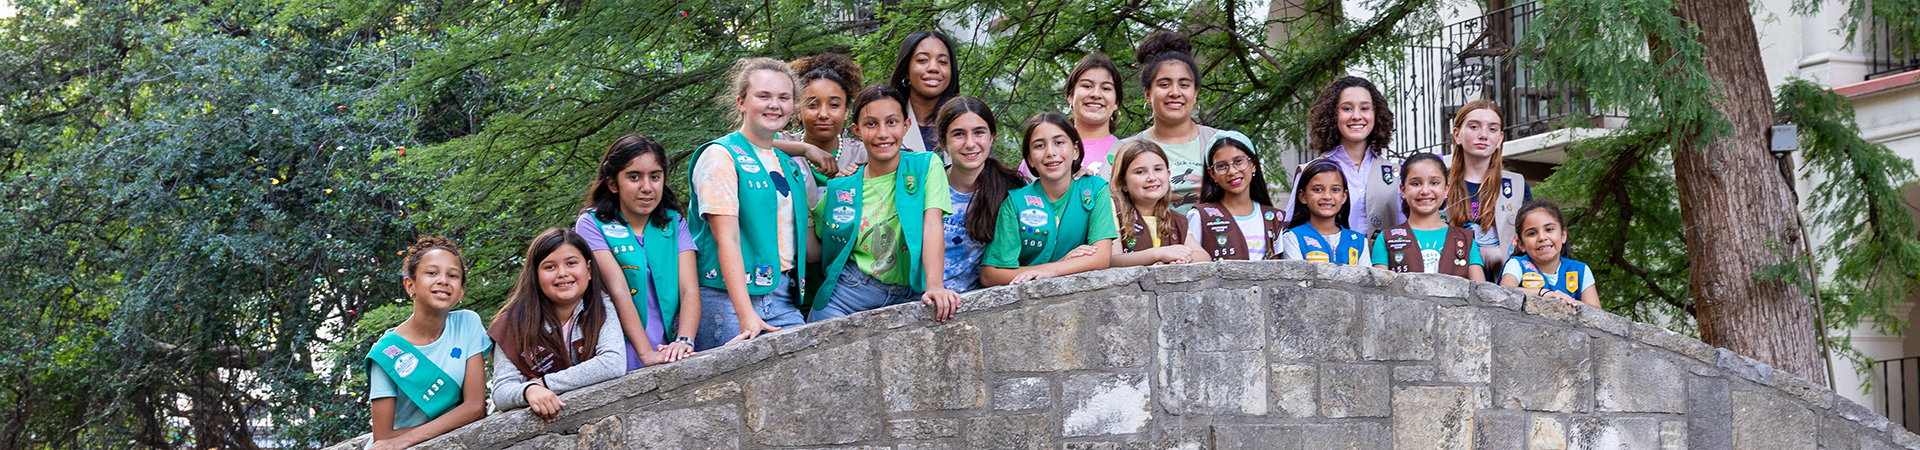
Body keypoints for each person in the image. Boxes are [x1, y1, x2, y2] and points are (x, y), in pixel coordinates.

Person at [686, 58, 812, 350]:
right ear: (741, 102)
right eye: (763, 96)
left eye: (784, 97)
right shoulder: (720, 155)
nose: (775, 105)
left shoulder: (787, 164)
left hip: (782, 296)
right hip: (728, 300)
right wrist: (746, 315)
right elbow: (726, 239)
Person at [810, 85, 962, 322]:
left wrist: (935, 285)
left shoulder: (925, 166)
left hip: (910, 292)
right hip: (851, 292)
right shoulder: (842, 187)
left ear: (905, 125)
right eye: (871, 124)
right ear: (856, 131)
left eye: (891, 122)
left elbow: (932, 224)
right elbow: (816, 244)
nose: (882, 133)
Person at [575, 134, 698, 370]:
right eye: (634, 177)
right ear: (613, 184)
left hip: (673, 349)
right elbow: (617, 288)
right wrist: (646, 354)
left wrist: (684, 340)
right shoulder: (591, 224)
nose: (647, 188)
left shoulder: (674, 222)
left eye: (655, 176)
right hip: (620, 353)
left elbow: (689, 289)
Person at [487, 228, 627, 423]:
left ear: (588, 270)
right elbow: (501, 391)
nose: (562, 273)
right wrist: (529, 390)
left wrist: (545, 383)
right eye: (550, 267)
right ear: (535, 276)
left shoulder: (601, 306)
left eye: (571, 263)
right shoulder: (513, 323)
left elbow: (613, 363)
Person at [365, 236, 491, 450]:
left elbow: (475, 407)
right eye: (432, 273)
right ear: (410, 284)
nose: (443, 280)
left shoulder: (468, 323)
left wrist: (407, 438)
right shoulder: (386, 352)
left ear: (461, 291)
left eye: (453, 275)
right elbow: (383, 437)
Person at [982, 112, 1118, 286]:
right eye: (1039, 146)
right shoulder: (1016, 202)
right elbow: (990, 275)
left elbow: (1100, 259)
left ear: (1075, 150)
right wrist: (1058, 265)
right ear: (1030, 159)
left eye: (1059, 143)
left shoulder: (1094, 189)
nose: (1051, 152)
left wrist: (1049, 271)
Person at [1122, 31, 1252, 213]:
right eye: (1164, 84)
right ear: (1147, 94)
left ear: (1195, 92)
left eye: (1184, 85)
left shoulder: (1221, 142)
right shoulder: (1125, 150)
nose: (1175, 92)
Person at [1289, 76, 1403, 238]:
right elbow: (1292, 233)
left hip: (1383, 262)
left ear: (1376, 114)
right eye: (1347, 108)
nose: (1356, 116)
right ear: (1332, 114)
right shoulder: (1309, 171)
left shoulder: (1395, 173)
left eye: (1365, 108)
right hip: (1325, 261)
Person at [935, 96, 1025, 293]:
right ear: (943, 142)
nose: (970, 143)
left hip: (977, 305)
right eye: (958, 134)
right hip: (918, 299)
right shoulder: (927, 184)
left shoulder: (1010, 188)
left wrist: (1076, 172)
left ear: (992, 137)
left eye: (979, 133)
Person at [1446, 100, 1530, 277]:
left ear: (1499, 139)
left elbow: (1531, 238)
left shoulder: (1516, 185)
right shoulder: (1439, 185)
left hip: (1506, 288)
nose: (1483, 135)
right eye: (1474, 127)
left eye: (1492, 129)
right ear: (1457, 135)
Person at [1371, 153, 1484, 280]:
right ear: (1403, 190)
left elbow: (1479, 294)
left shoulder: (1465, 240)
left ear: (1447, 189)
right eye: (1416, 183)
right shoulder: (1386, 239)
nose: (1425, 191)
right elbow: (1379, 295)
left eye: (1434, 183)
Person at [1184, 137, 1287, 261]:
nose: (1232, 171)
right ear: (1212, 174)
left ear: (1253, 164)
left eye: (1238, 161)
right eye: (1222, 166)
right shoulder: (1200, 216)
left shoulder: (1274, 219)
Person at [1023, 52, 1123, 179]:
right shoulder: (1040, 151)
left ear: (1116, 103)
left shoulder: (1131, 154)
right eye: (1087, 86)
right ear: (1070, 97)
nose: (1096, 94)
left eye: (1106, 88)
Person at [785, 53, 869, 202]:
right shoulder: (781, 143)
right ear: (798, 110)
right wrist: (805, 149)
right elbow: (743, 143)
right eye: (813, 105)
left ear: (846, 111)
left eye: (834, 105)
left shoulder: (863, 153)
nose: (823, 114)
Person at [1108, 139, 1198, 266]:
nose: (1152, 178)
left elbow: (1203, 255)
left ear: (1168, 175)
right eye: (1140, 171)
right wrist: (1157, 254)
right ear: (1122, 181)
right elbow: (1111, 260)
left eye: (1158, 169)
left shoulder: (1175, 220)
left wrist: (1180, 257)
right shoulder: (1112, 209)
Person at [1499, 200, 1599, 308]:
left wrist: (1566, 301)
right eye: (1532, 233)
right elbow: (1504, 291)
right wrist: (1543, 293)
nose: (1542, 237)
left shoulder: (1581, 270)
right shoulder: (1517, 264)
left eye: (1549, 229)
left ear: (1563, 235)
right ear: (1521, 244)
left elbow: (1598, 311)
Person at [1279, 158, 1370, 265]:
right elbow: (1298, 280)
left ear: (1344, 197)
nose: (1327, 196)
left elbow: (1366, 281)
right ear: (1303, 196)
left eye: (1335, 190)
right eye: (1318, 189)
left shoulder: (1359, 241)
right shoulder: (1293, 238)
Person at [889, 30, 961, 156]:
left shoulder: (967, 122)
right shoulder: (887, 124)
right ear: (906, 70)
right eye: (922, 60)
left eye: (943, 62)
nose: (933, 68)